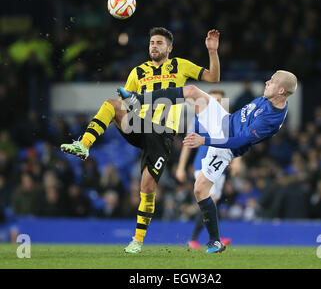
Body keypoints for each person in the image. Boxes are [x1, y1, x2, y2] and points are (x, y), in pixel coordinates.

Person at [61, 27, 221, 253]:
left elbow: (213, 78)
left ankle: (137, 240)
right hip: (139, 125)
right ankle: (83, 144)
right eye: (151, 43)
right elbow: (127, 101)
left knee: (146, 187)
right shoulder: (138, 72)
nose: (154, 46)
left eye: (159, 43)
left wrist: (212, 51)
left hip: (163, 134)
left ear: (169, 48)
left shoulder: (180, 65)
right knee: (112, 104)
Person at [118, 70, 297, 253]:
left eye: (272, 81)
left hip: (225, 146)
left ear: (282, 91)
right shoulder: (270, 98)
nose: (267, 82)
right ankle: (137, 99)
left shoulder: (272, 119)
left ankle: (215, 241)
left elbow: (241, 141)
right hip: (223, 121)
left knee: (200, 189)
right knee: (192, 91)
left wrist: (205, 140)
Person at [175, 89, 237, 249]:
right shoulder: (199, 120)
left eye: (219, 100)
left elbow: (236, 142)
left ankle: (214, 236)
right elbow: (187, 146)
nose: (216, 103)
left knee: (211, 202)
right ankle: (196, 239)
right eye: (213, 100)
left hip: (220, 168)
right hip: (202, 164)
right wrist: (181, 167)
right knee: (210, 199)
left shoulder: (227, 121)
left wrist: (236, 162)